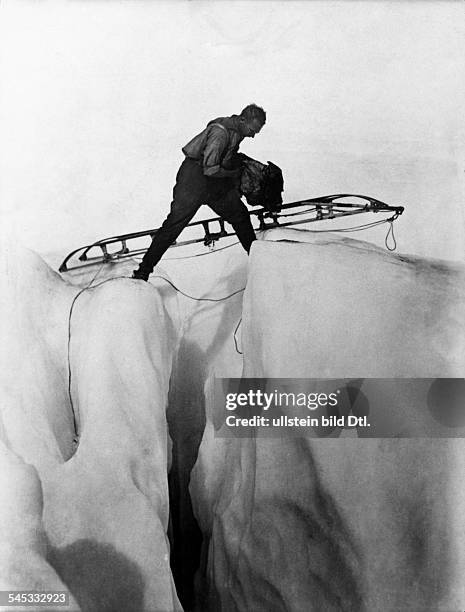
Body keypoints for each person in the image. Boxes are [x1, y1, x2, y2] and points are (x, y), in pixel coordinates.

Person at [132, 104, 266, 281]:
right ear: (242, 120)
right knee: (175, 224)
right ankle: (143, 271)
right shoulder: (220, 133)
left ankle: (261, 262)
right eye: (252, 130)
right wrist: (234, 174)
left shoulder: (237, 130)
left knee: (239, 215)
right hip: (193, 179)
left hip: (212, 181)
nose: (253, 135)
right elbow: (210, 169)